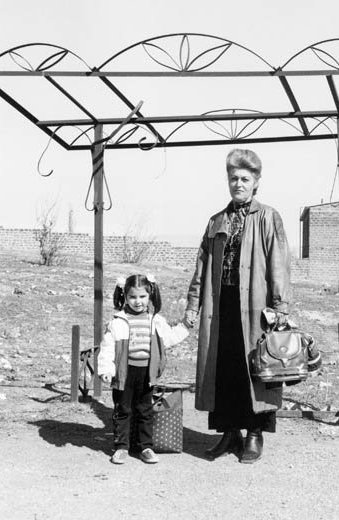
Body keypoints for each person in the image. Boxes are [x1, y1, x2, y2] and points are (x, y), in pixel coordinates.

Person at [183, 148, 292, 464]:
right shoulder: (216, 220)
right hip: (220, 307)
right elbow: (201, 268)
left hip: (257, 307)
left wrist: (280, 308)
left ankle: (254, 435)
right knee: (224, 369)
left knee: (257, 370)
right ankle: (229, 433)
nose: (238, 184)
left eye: (245, 178)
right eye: (234, 178)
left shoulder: (268, 217)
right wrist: (192, 306)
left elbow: (280, 265)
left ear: (256, 182)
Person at [98, 273, 190, 465]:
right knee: (123, 410)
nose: (137, 301)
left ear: (150, 296)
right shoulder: (117, 322)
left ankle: (145, 446)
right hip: (124, 373)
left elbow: (170, 338)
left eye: (142, 296)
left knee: (145, 410)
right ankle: (121, 447)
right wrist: (106, 369)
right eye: (132, 297)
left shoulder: (155, 320)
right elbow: (107, 348)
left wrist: (185, 326)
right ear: (124, 296)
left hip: (146, 373)